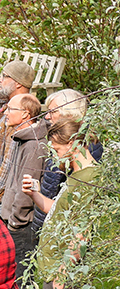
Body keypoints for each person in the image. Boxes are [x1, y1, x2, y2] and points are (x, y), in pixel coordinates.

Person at [23, 119, 99, 289]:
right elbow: (57, 211)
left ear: (75, 143)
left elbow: (82, 232)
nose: (55, 157)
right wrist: (35, 194)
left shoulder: (90, 179)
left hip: (62, 275)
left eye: (56, 150)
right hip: (53, 270)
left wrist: (62, 274)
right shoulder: (76, 176)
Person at [0, 93, 46, 289]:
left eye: (10, 109)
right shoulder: (20, 137)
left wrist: (16, 220)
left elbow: (27, 186)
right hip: (10, 219)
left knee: (21, 281)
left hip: (21, 226)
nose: (6, 113)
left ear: (26, 114)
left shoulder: (33, 145)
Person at [32, 89, 100, 233]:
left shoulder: (85, 147)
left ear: (69, 113)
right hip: (48, 222)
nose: (47, 117)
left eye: (53, 111)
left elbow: (79, 212)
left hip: (63, 234)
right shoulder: (60, 140)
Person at [0, 60, 35, 207]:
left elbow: (9, 160)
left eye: (5, 76)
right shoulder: (6, 105)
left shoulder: (20, 114)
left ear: (18, 83)